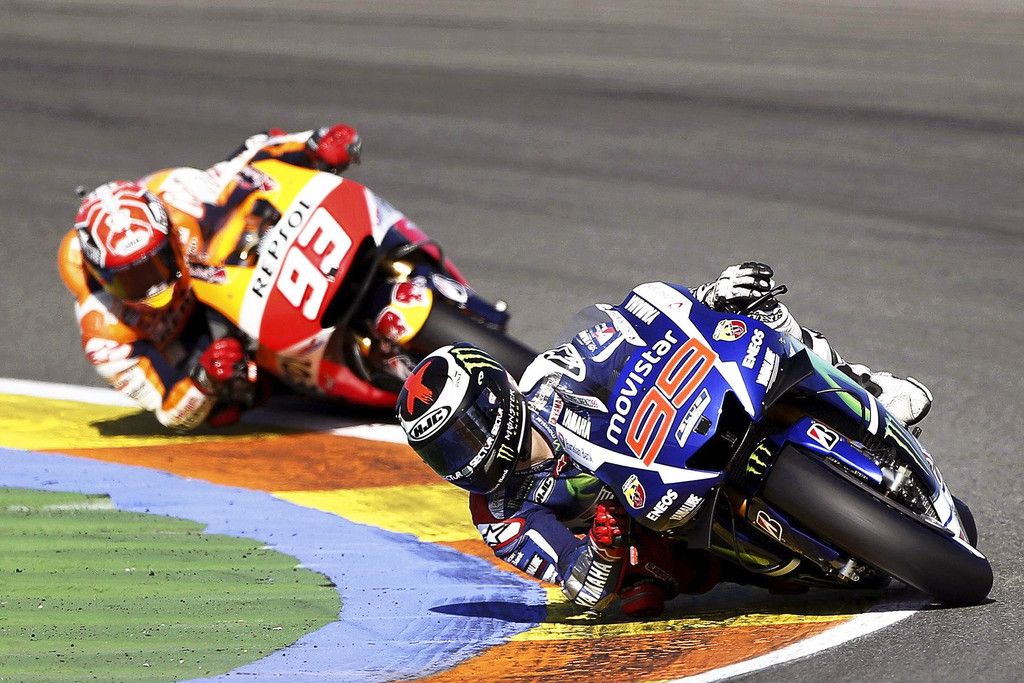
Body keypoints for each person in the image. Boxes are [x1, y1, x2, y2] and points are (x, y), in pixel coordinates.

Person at [396, 263, 933, 617]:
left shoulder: (550, 378)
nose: (461, 457)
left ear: (495, 399)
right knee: (637, 593)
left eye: (463, 434)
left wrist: (709, 297)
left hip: (671, 435)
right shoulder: (497, 514)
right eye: (443, 451)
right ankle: (766, 552)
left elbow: (636, 323)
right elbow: (580, 585)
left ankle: (863, 385)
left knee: (752, 318)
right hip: (653, 526)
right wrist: (602, 549)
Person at [57, 125, 362, 430]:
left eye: (157, 264)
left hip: (219, 268)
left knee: (264, 197)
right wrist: (204, 379)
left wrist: (312, 145)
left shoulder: (179, 197)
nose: (154, 287)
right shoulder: (103, 334)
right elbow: (170, 411)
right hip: (192, 341)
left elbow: (247, 161)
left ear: (170, 237)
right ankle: (281, 378)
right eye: (132, 280)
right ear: (101, 276)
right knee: (222, 407)